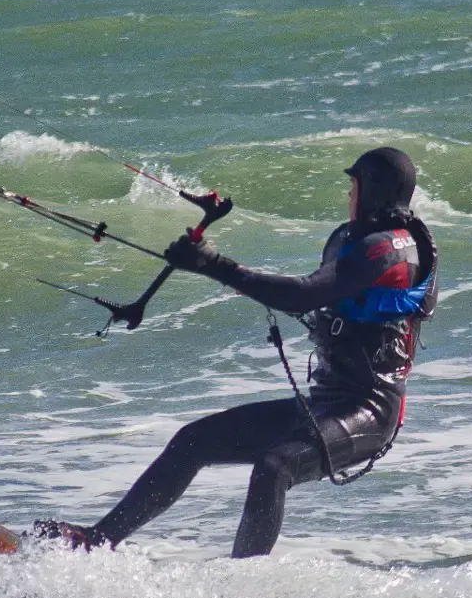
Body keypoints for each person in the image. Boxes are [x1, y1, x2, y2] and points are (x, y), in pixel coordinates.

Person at [35, 146, 438, 558]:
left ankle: (243, 580)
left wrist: (215, 266)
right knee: (193, 440)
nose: (347, 196)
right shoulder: (362, 240)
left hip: (367, 412)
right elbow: (331, 299)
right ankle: (97, 541)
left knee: (274, 466)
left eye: (352, 186)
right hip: (324, 405)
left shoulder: (386, 249)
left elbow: (305, 294)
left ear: (371, 190)